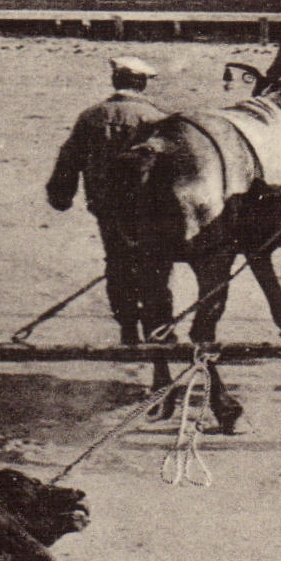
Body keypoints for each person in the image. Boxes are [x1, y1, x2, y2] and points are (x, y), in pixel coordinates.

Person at [46, 56, 170, 345]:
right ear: (141, 84)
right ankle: (157, 329)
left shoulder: (91, 116)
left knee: (117, 263)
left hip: (105, 205)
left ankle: (127, 328)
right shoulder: (156, 118)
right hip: (148, 206)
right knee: (153, 264)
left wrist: (61, 195)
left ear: (116, 81)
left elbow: (70, 157)